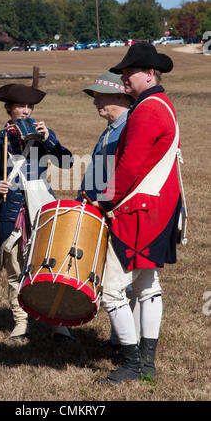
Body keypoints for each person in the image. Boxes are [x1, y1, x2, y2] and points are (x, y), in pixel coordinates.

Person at [93, 42, 181, 384]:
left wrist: (104, 201)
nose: (124, 79)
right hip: (157, 208)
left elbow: (130, 166)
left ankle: (132, 363)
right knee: (147, 285)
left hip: (137, 210)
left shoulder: (146, 110)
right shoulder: (161, 104)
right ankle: (147, 363)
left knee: (113, 289)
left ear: (150, 74)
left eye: (130, 73)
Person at [0, 83, 74, 342]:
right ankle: (21, 323)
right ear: (9, 109)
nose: (26, 111)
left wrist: (49, 140)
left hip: (42, 210)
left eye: (29, 106)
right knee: (15, 271)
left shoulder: (44, 137)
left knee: (51, 268)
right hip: (12, 213)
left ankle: (58, 324)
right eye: (20, 106)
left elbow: (68, 162)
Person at [76, 71, 140, 346]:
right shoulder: (110, 130)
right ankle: (122, 339)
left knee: (125, 282)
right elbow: (97, 172)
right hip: (100, 210)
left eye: (99, 96)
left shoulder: (129, 129)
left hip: (120, 214)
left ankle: (127, 344)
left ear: (120, 97)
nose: (95, 102)